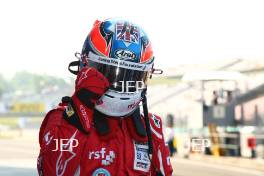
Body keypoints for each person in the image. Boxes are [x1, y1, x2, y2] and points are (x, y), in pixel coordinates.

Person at [37, 18, 173, 176]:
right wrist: (78, 110)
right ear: (86, 65)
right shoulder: (62, 120)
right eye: (111, 73)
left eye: (132, 76)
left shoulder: (151, 128)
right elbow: (51, 171)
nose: (122, 84)